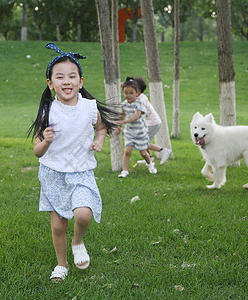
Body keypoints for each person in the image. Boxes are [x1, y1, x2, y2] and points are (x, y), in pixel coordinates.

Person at [28, 43, 118, 282]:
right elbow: (37, 151)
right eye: (60, 77)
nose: (66, 81)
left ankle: (78, 241)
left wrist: (99, 141)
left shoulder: (89, 107)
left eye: (72, 76)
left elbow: (101, 128)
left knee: (83, 215)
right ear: (50, 83)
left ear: (80, 81)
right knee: (58, 226)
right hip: (53, 173)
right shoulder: (48, 111)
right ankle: (62, 265)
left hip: (81, 172)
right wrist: (45, 142)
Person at [116, 78, 157, 178]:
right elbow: (122, 115)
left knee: (143, 153)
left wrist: (123, 121)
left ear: (136, 93)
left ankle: (150, 164)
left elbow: (136, 116)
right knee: (127, 151)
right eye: (126, 93)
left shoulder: (139, 103)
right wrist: (119, 125)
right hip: (129, 132)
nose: (128, 95)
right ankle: (124, 171)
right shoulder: (124, 104)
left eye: (131, 93)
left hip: (140, 132)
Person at [131, 77, 172, 165]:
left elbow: (144, 113)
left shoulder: (140, 99)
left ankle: (163, 151)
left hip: (152, 123)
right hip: (152, 122)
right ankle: (149, 159)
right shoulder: (141, 96)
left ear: (137, 91)